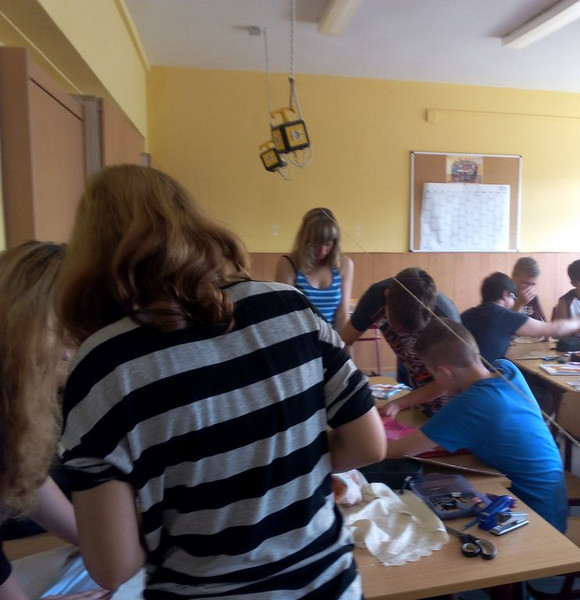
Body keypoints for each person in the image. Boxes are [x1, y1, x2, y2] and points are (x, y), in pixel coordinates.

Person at [56, 165, 386, 598]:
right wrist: (279, 464)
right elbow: (369, 446)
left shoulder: (101, 366)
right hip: (330, 585)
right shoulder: (290, 307)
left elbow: (113, 565)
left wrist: (186, 499)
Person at [384, 319, 567, 532]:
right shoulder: (506, 370)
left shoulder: (472, 404)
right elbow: (442, 384)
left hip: (535, 520)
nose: (435, 381)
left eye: (434, 374)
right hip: (553, 504)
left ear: (444, 372)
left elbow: (397, 450)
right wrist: (401, 402)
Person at [0, 242, 108, 600]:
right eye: (63, 331)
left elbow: (25, 474)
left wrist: (96, 544)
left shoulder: (16, 394)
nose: (67, 352)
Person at [339, 267, 460, 418]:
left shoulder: (446, 319)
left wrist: (399, 403)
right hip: (416, 386)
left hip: (450, 397)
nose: (404, 337)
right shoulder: (375, 298)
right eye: (397, 327)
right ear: (387, 296)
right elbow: (342, 342)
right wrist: (349, 386)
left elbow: (450, 379)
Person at [461, 272, 580, 363]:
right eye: (513, 297)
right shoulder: (503, 316)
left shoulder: (467, 314)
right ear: (505, 295)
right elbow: (556, 329)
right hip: (485, 380)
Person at [275, 208, 354, 331]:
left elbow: (342, 315)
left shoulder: (344, 264)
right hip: (301, 338)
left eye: (328, 244)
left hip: (331, 339)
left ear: (335, 242)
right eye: (315, 244)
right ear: (304, 240)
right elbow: (285, 314)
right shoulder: (289, 263)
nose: (322, 251)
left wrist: (344, 343)